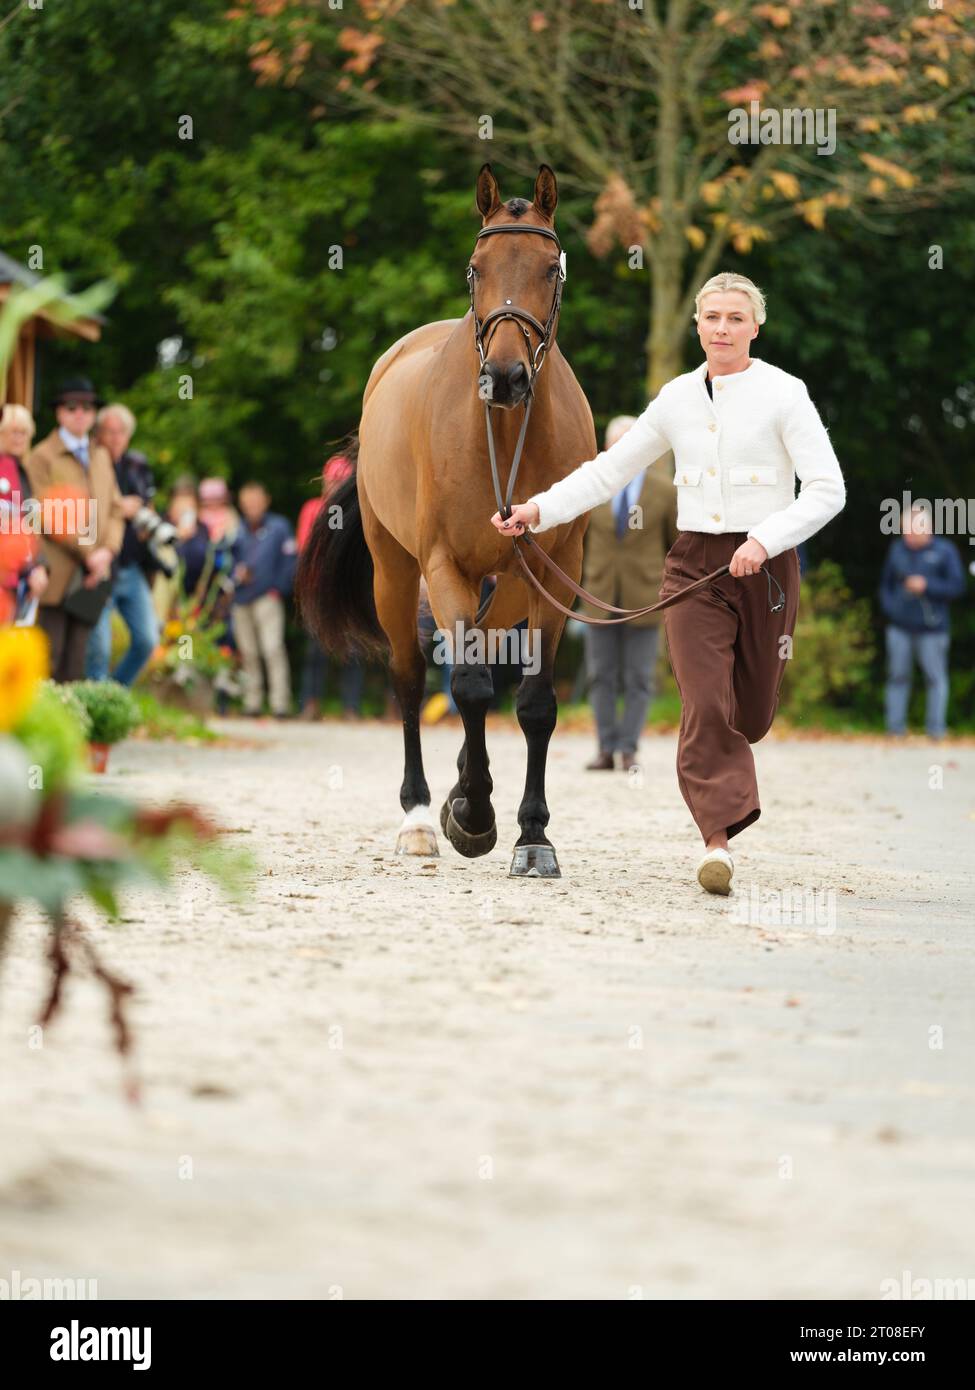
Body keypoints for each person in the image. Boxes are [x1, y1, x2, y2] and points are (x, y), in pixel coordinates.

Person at [492, 271, 846, 896]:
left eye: (736, 318)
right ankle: (717, 842)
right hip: (693, 570)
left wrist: (764, 539)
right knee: (705, 702)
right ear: (697, 326)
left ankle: (727, 782)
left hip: (765, 567)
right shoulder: (677, 397)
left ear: (754, 327)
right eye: (712, 317)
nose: (722, 328)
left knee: (752, 711)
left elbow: (828, 490)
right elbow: (607, 472)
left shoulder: (786, 394)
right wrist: (536, 510)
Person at [579, 415, 677, 772]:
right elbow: (578, 544)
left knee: (639, 677)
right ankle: (605, 748)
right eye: (616, 445)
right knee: (600, 675)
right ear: (606, 449)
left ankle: (629, 748)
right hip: (598, 595)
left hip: (646, 599)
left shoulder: (664, 491)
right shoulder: (591, 488)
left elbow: (676, 545)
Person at [24, 377, 124, 682]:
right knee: (49, 660)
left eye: (87, 407)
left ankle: (72, 728)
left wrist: (107, 551)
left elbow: (115, 508)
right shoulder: (41, 457)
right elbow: (43, 513)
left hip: (91, 578)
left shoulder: (101, 455)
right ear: (59, 413)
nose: (80, 413)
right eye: (72, 407)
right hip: (57, 573)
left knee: (78, 662)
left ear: (94, 414)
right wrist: (89, 552)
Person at [84, 403, 161, 686]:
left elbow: (150, 505)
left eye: (122, 432)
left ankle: (113, 696)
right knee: (99, 646)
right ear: (99, 433)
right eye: (109, 431)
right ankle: (93, 701)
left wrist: (147, 517)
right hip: (102, 565)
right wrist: (120, 507)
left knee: (147, 639)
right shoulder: (89, 461)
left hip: (132, 565)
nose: (116, 438)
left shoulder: (137, 464)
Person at [879, 502, 966, 740]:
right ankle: (895, 730)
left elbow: (957, 586)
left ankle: (936, 730)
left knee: (935, 679)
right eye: (904, 531)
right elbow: (885, 585)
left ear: (926, 528)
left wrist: (928, 586)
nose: (907, 535)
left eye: (911, 531)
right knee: (897, 677)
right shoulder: (897, 549)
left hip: (933, 630)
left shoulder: (945, 551)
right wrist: (891, 610)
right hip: (899, 628)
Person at [296, 449, 364, 720]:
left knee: (353, 651)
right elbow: (306, 548)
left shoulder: (355, 512)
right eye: (331, 481)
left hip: (349, 591)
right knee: (315, 652)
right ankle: (309, 703)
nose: (334, 486)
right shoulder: (313, 509)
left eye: (340, 482)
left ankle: (351, 707)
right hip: (319, 591)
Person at [231, 481, 297, 718]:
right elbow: (225, 561)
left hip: (268, 597)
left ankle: (280, 704)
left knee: (273, 648)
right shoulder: (236, 528)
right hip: (241, 598)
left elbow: (290, 560)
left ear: (266, 500)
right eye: (247, 502)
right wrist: (235, 575)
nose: (252, 505)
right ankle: (252, 702)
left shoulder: (279, 527)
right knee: (248, 652)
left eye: (256, 500)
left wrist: (278, 589)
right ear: (242, 504)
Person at [0, 404, 48, 623]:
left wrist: (36, 567)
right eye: (13, 431)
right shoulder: (5, 468)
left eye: (24, 432)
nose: (19, 438)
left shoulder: (23, 471)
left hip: (16, 578)